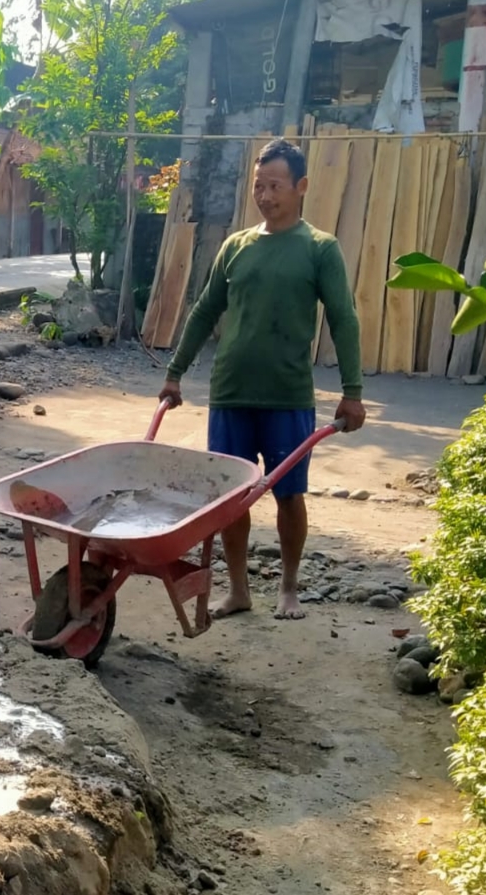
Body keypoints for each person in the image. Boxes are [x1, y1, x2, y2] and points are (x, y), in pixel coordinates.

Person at [159, 138, 366, 621]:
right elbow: (205, 309)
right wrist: (175, 373)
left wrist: (352, 392)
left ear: (301, 187)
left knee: (289, 495)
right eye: (258, 185)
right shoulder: (236, 246)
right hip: (230, 393)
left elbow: (344, 318)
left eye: (274, 185)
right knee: (233, 498)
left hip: (287, 397)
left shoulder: (320, 249)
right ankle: (238, 589)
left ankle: (289, 588)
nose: (265, 195)